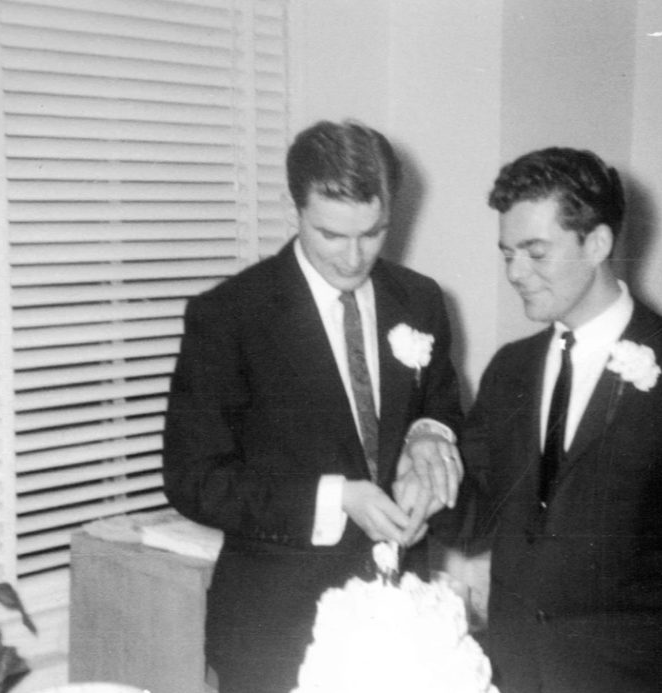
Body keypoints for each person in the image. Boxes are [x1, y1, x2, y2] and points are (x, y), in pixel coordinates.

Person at [406, 147, 662, 693]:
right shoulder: (510, 370)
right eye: (508, 253)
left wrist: (658, 640)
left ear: (598, 244)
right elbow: (477, 516)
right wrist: (428, 484)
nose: (515, 273)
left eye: (536, 253)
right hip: (519, 676)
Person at [162, 119, 463, 693]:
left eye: (373, 233)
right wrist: (336, 498)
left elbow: (443, 405)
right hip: (276, 632)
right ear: (293, 209)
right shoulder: (229, 316)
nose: (353, 258)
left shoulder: (420, 300)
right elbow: (192, 479)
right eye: (331, 235)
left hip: (401, 625)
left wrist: (430, 434)